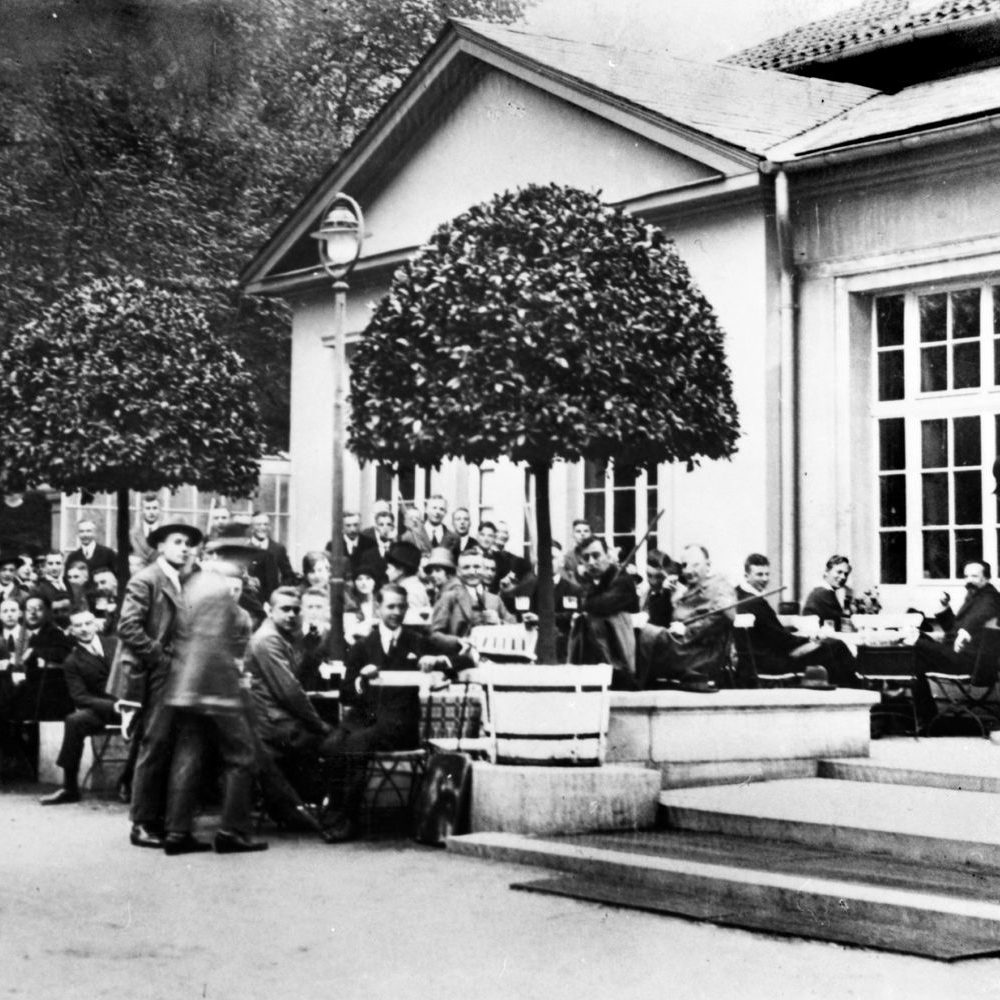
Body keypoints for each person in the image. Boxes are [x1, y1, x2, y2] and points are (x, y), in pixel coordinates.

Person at [322, 584, 471, 841]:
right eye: (390, 606)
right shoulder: (362, 646)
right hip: (363, 719)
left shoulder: (416, 642)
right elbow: (346, 694)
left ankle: (347, 819)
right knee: (332, 743)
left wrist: (437, 661)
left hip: (399, 724)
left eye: (401, 606)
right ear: (378, 608)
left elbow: (465, 660)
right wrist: (361, 680)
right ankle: (332, 814)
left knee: (357, 743)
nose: (396, 612)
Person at [158, 529, 267, 855]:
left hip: (186, 685)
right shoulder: (220, 589)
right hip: (215, 688)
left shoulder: (195, 584)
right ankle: (232, 831)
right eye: (241, 554)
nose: (245, 560)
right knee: (242, 756)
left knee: (189, 756)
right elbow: (215, 646)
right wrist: (231, 688)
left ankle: (177, 832)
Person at [117, 520, 202, 849]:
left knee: (172, 747)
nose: (185, 548)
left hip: (182, 675)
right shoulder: (146, 579)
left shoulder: (183, 581)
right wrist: (160, 658)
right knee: (153, 746)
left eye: (188, 543)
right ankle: (141, 823)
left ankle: (165, 820)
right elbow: (128, 627)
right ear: (161, 547)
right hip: (159, 675)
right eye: (178, 542)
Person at [735, 553, 856, 688]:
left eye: (767, 574)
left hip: (759, 657)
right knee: (835, 647)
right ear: (746, 576)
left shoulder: (740, 595)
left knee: (830, 646)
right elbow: (780, 639)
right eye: (759, 574)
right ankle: (854, 690)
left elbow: (771, 629)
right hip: (771, 660)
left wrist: (800, 633)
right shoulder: (753, 602)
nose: (765, 579)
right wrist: (810, 641)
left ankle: (844, 688)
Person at [39, 609, 119, 806]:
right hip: (105, 711)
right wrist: (114, 706)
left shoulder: (117, 645)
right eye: (78, 626)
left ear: (96, 624)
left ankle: (129, 781)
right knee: (75, 721)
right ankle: (70, 787)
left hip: (133, 706)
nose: (84, 629)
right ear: (71, 631)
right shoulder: (72, 661)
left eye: (87, 623)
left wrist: (131, 702)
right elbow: (80, 697)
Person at [912, 560, 1000, 723]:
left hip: (969, 661)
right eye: (966, 576)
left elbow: (982, 614)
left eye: (974, 576)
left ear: (986, 578)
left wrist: (966, 631)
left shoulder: (990, 597)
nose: (968, 580)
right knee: (915, 655)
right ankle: (925, 715)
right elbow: (953, 629)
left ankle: (926, 716)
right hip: (955, 654)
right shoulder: (975, 596)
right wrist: (944, 608)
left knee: (914, 644)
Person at [570, 536, 639, 687]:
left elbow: (601, 605)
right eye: (586, 558)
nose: (591, 562)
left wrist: (587, 600)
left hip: (623, 655)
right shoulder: (593, 582)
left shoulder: (622, 580)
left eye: (596, 555)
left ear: (608, 555)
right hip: (599, 654)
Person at [430, 548, 514, 652]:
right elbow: (434, 635)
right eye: (466, 567)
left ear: (483, 569)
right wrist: (458, 642)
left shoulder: (494, 600)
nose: (472, 572)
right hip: (461, 660)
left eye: (476, 567)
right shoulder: (449, 597)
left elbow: (515, 627)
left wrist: (499, 622)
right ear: (458, 571)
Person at [247, 512, 294, 598]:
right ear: (252, 527)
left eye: (266, 524)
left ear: (269, 527)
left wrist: (278, 593)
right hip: (251, 599)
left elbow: (288, 576)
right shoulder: (245, 548)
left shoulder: (278, 549)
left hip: (272, 599)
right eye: (258, 524)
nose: (263, 527)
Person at [803, 555, 853, 630]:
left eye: (846, 574)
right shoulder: (822, 593)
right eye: (839, 572)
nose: (843, 577)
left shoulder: (825, 591)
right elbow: (843, 623)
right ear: (827, 571)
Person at [385, 541, 430, 613]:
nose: (386, 571)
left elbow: (412, 620)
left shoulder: (411, 591)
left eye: (389, 568)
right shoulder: (408, 586)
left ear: (401, 569)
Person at [129, 492, 164, 567]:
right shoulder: (132, 534)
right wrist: (130, 559)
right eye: (148, 508)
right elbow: (124, 556)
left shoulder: (165, 533)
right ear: (142, 511)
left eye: (155, 508)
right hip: (138, 574)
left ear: (159, 510)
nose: (151, 512)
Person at [561, 519, 594, 584]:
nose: (582, 534)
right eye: (578, 531)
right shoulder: (568, 558)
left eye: (586, 531)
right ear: (573, 535)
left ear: (591, 534)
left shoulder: (598, 554)